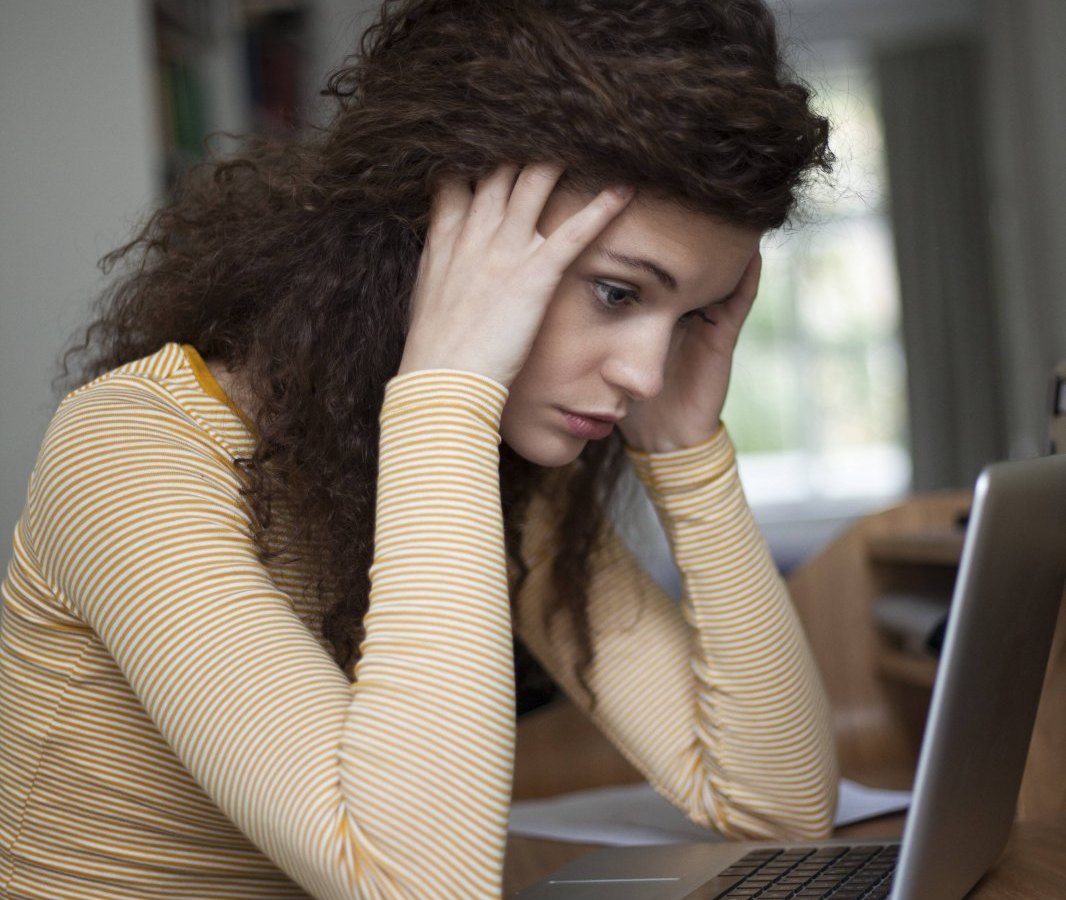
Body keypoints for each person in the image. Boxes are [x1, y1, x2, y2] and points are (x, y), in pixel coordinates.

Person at [0, 0, 838, 897]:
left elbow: (780, 807)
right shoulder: (132, 449)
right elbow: (417, 885)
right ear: (439, 236)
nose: (645, 371)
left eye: (691, 318)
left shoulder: (506, 471)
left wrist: (684, 444)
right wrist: (444, 389)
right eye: (618, 293)